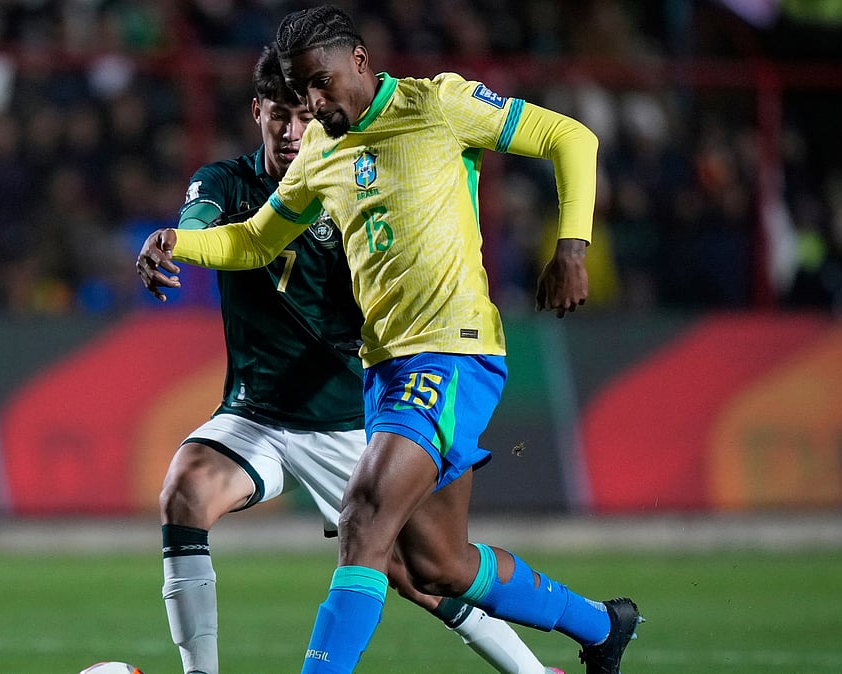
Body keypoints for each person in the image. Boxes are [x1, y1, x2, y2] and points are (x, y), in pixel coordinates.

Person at [137, 6, 642, 674]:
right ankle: (602, 626)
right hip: (383, 372)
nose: (313, 104)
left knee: (365, 519)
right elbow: (256, 238)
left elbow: (570, 138)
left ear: (360, 63)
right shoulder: (320, 151)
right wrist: (179, 242)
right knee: (440, 566)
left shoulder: (440, 104)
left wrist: (570, 245)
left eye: (319, 84)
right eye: (299, 91)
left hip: (452, 349)